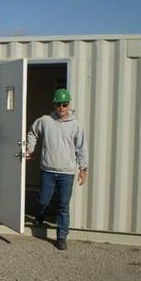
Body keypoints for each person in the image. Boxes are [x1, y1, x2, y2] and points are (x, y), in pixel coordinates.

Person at [26, 88, 88, 250]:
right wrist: (31, 148)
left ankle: (61, 237)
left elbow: (81, 147)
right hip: (48, 170)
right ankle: (40, 215)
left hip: (66, 173)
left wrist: (83, 168)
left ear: (69, 105)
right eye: (58, 105)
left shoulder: (76, 125)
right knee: (43, 200)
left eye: (64, 104)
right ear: (54, 105)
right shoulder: (45, 121)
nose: (61, 108)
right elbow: (32, 132)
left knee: (63, 205)